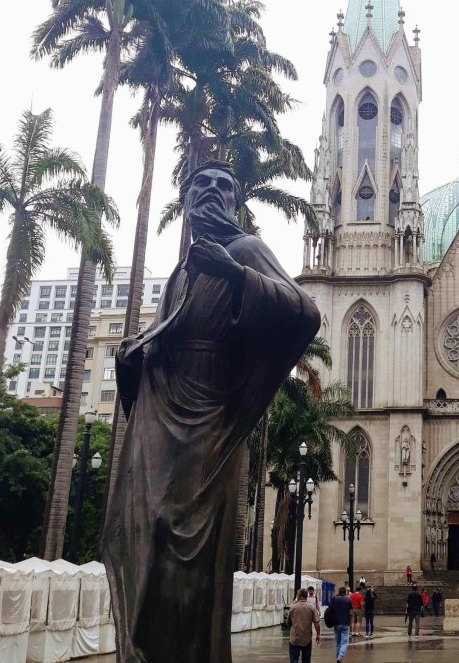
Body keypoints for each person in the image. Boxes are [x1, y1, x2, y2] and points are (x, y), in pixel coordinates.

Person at [102, 161, 320, 662]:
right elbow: (165, 338)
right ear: (186, 198)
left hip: (209, 422)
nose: (212, 192)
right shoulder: (181, 270)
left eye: (224, 185)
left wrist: (234, 273)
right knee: (145, 535)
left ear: (235, 201)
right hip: (165, 414)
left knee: (184, 546)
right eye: (201, 184)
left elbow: (304, 311)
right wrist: (135, 355)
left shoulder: (245, 250)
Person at [288, 588, 321, 663]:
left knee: (294, 659)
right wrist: (318, 634)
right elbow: (316, 623)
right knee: (306, 659)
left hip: (294, 637)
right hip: (307, 638)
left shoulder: (292, 607)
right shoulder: (311, 607)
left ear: (299, 596)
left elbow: (289, 622)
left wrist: (291, 631)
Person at [329, 587, 353, 663]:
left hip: (336, 623)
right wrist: (350, 622)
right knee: (344, 642)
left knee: (338, 642)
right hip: (345, 623)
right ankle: (340, 656)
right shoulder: (348, 600)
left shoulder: (334, 599)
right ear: (345, 592)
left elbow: (330, 610)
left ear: (339, 592)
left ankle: (338, 657)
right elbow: (351, 612)